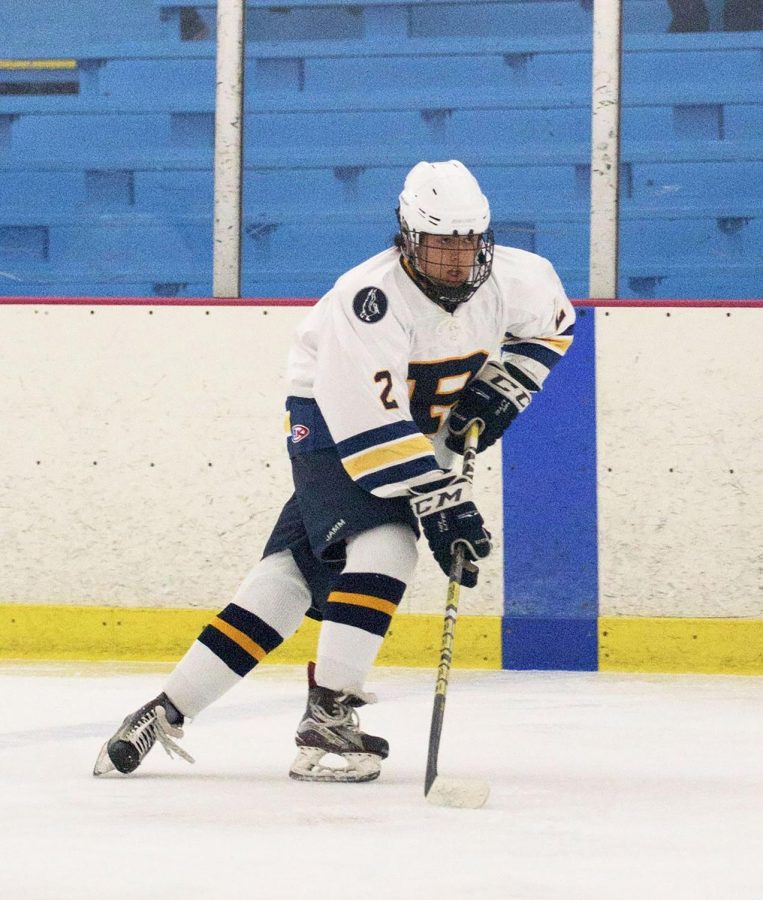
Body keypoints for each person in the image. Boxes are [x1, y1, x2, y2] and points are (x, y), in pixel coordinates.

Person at [93, 160, 575, 783]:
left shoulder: (522, 278)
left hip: (406, 433)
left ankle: (165, 710)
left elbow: (553, 329)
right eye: (439, 244)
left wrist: (508, 385)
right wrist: (441, 500)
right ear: (406, 237)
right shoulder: (366, 300)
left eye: (467, 243)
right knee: (389, 542)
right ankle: (329, 714)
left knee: (288, 580)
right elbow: (371, 439)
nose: (456, 260)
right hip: (330, 425)